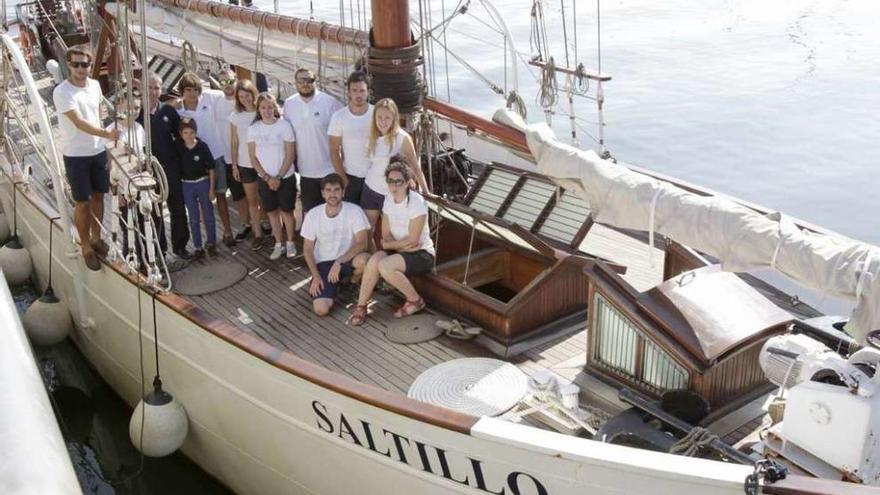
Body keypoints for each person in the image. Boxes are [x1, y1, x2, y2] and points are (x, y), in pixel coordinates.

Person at [52, 46, 121, 271]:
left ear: (91, 66)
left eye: (85, 64)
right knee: (83, 202)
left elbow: (99, 114)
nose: (81, 68)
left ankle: (96, 237)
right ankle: (85, 247)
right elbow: (79, 123)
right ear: (68, 65)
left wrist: (106, 141)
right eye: (76, 64)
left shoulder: (95, 86)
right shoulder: (62, 92)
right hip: (76, 155)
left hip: (97, 151)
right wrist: (107, 135)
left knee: (100, 196)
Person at [348, 158, 435, 326]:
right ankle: (361, 305)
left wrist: (389, 245)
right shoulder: (388, 199)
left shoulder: (416, 202)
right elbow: (386, 235)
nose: (394, 186)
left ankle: (415, 300)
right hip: (403, 250)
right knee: (374, 261)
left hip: (421, 253)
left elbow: (414, 240)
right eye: (390, 181)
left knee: (385, 265)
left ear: (408, 182)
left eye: (398, 182)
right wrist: (394, 245)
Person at [176, 72, 234, 246]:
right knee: (202, 200)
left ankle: (228, 231)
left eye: (195, 90)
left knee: (221, 195)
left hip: (216, 154)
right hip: (195, 161)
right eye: (188, 90)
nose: (192, 94)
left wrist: (230, 80)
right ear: (182, 91)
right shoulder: (178, 110)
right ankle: (206, 239)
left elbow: (229, 93)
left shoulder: (210, 97)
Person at [301, 174, 371, 316]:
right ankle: (335, 285)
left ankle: (352, 283)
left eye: (336, 190)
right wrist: (315, 276)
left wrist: (339, 261)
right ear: (322, 193)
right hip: (324, 264)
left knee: (365, 260)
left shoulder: (354, 211)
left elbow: (363, 243)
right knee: (321, 309)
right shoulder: (313, 215)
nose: (332, 194)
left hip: (346, 259)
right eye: (328, 190)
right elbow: (307, 249)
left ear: (343, 192)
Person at [137, 71, 190, 259]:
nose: (153, 91)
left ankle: (180, 246)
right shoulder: (135, 114)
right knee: (153, 211)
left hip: (169, 167)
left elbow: (180, 135)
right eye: (149, 87)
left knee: (177, 207)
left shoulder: (168, 111)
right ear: (142, 88)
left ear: (161, 90)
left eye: (157, 88)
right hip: (146, 170)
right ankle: (160, 251)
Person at [361, 98, 427, 241]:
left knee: (393, 235)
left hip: (391, 195)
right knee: (367, 232)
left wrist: (426, 192)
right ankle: (370, 259)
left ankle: (391, 262)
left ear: (394, 118)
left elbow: (415, 167)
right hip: (370, 190)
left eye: (387, 117)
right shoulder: (372, 136)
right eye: (379, 117)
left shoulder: (402, 138)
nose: (382, 121)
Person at [282, 67, 343, 215]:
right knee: (311, 213)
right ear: (295, 83)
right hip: (306, 171)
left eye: (309, 80)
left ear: (315, 81)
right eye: (301, 80)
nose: (305, 83)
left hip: (330, 169)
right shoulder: (289, 104)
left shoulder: (330, 103)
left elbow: (343, 135)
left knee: (334, 212)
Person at [248, 93, 297, 260]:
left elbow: (290, 155)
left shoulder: (284, 126)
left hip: (285, 177)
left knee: (287, 212)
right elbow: (253, 158)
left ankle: (290, 242)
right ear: (258, 109)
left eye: (270, 107)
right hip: (265, 180)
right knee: (272, 213)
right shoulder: (253, 129)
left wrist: (278, 178)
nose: (267, 110)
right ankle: (278, 243)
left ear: (275, 108)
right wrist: (268, 178)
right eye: (263, 107)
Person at [228, 79, 266, 250]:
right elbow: (234, 142)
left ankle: (269, 226)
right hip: (245, 164)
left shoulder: (262, 112)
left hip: (265, 163)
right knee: (252, 201)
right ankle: (257, 233)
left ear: (253, 94)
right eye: (241, 97)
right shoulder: (235, 117)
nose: (245, 99)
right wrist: (234, 165)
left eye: (247, 95)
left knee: (265, 198)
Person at [328, 71, 373, 205]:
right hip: (350, 178)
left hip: (374, 176)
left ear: (368, 92)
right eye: (354, 90)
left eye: (362, 90)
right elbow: (334, 151)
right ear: (348, 92)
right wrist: (343, 179)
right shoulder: (338, 117)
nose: (358, 95)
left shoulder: (377, 114)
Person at [175, 118, 217, 258]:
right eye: (185, 133)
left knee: (208, 214)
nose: (189, 136)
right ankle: (198, 247)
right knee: (193, 218)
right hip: (187, 184)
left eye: (191, 132)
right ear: (181, 134)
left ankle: (211, 243)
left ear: (196, 132)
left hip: (202, 183)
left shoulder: (202, 147)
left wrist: (211, 189)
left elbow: (211, 168)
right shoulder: (178, 147)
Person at [213, 68, 244, 246]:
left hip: (247, 156)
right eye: (223, 82)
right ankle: (245, 224)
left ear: (236, 79)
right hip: (227, 157)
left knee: (255, 194)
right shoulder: (217, 101)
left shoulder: (244, 100)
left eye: (230, 81)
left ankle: (263, 224)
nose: (227, 86)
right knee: (238, 195)